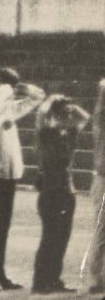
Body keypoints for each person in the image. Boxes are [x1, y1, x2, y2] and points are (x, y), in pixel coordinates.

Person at [0, 69, 45, 292]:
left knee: (2, 227)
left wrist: (24, 88)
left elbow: (38, 98)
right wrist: (7, 87)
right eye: (7, 85)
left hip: (7, 172)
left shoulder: (8, 108)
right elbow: (3, 101)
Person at [32, 93, 89, 294]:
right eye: (63, 113)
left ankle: (54, 278)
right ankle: (40, 282)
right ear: (54, 114)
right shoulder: (46, 133)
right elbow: (42, 116)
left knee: (62, 238)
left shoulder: (68, 132)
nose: (67, 117)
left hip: (66, 190)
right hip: (50, 190)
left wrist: (71, 105)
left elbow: (84, 118)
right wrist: (53, 103)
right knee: (50, 237)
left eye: (68, 114)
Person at [82, 78, 105, 294]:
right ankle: (94, 277)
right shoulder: (101, 127)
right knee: (102, 230)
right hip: (104, 177)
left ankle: (96, 276)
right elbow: (98, 117)